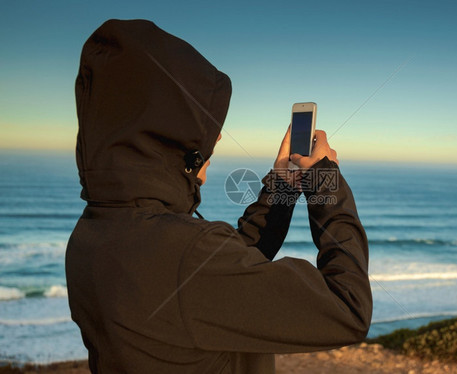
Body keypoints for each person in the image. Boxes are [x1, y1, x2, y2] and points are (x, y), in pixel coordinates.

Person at [66, 19, 372, 374]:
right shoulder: (185, 257)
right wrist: (324, 183)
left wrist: (283, 186)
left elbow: (227, 274)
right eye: (204, 129)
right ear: (169, 138)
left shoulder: (91, 235)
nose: (218, 140)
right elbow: (347, 309)